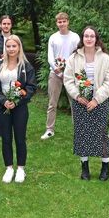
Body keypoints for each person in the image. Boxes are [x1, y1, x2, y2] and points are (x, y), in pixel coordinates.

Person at [64, 26, 109, 181]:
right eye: (86, 36)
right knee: (82, 134)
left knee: (101, 135)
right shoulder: (74, 58)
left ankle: (105, 167)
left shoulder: (105, 58)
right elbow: (68, 79)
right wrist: (77, 96)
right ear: (82, 38)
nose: (88, 39)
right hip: (80, 102)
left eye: (91, 36)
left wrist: (96, 99)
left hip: (99, 102)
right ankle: (84, 168)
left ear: (96, 38)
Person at [0, 35, 37, 184]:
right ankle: (9, 167)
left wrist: (17, 101)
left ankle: (21, 168)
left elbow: (31, 87)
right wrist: (3, 101)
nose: (11, 49)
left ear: (19, 47)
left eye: (14, 46)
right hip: (2, 107)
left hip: (20, 108)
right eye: (8, 46)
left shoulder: (26, 66)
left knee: (20, 138)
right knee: (6, 139)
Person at [41, 12, 80, 140]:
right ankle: (49, 130)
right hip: (55, 74)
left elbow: (78, 55)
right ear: (56, 23)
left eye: (64, 21)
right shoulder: (53, 37)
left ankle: (78, 131)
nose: (62, 24)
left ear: (68, 22)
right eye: (59, 22)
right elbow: (50, 57)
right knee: (52, 103)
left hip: (71, 75)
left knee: (74, 103)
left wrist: (68, 71)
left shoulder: (75, 37)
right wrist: (57, 70)